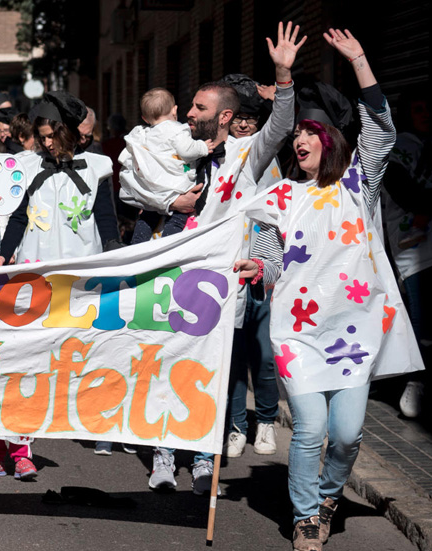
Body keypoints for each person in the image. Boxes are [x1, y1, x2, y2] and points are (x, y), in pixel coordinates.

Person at [239, 29, 423, 551]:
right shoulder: (278, 195)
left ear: (330, 138)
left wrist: (360, 60)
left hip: (353, 332)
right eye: (295, 133)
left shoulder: (358, 184)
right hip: (297, 331)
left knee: (345, 436)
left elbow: (382, 130)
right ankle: (304, 519)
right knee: (309, 429)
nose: (299, 140)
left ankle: (326, 496)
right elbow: (271, 256)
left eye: (310, 131)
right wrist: (259, 267)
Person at [132, 21, 302, 496]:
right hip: (170, 276)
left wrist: (283, 77)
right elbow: (132, 189)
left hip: (218, 287)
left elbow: (283, 126)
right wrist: (171, 204)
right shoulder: (175, 152)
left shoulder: (247, 156)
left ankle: (204, 456)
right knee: (169, 364)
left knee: (210, 371)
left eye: (199, 108)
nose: (187, 114)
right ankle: (164, 452)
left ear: (225, 117)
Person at [0, 91, 119, 479]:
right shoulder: (29, 168)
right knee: (29, 354)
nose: (46, 143)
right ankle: (21, 439)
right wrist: (2, 254)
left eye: (52, 136)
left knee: (82, 346)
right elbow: (16, 218)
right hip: (36, 267)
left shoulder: (97, 167)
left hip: (80, 267)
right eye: (41, 136)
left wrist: (117, 257)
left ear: (68, 133)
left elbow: (106, 219)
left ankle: (94, 421)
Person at [217, 72, 280, 458]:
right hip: (228, 271)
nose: (244, 124)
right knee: (235, 357)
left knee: (266, 356)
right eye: (238, 117)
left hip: (265, 269)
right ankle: (238, 425)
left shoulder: (267, 154)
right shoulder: (217, 157)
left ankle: (267, 421)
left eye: (251, 118)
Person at [382, 91, 432, 419]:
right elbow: (400, 188)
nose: (424, 113)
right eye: (417, 107)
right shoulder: (396, 147)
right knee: (423, 325)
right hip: (413, 250)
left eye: (428, 107)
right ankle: (416, 382)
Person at [119, 88, 214, 240]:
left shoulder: (143, 134)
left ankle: (137, 244)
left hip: (154, 189)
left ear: (144, 118)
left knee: (147, 218)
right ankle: (169, 243)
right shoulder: (177, 129)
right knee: (177, 219)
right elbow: (187, 151)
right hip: (175, 185)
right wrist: (202, 147)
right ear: (174, 110)